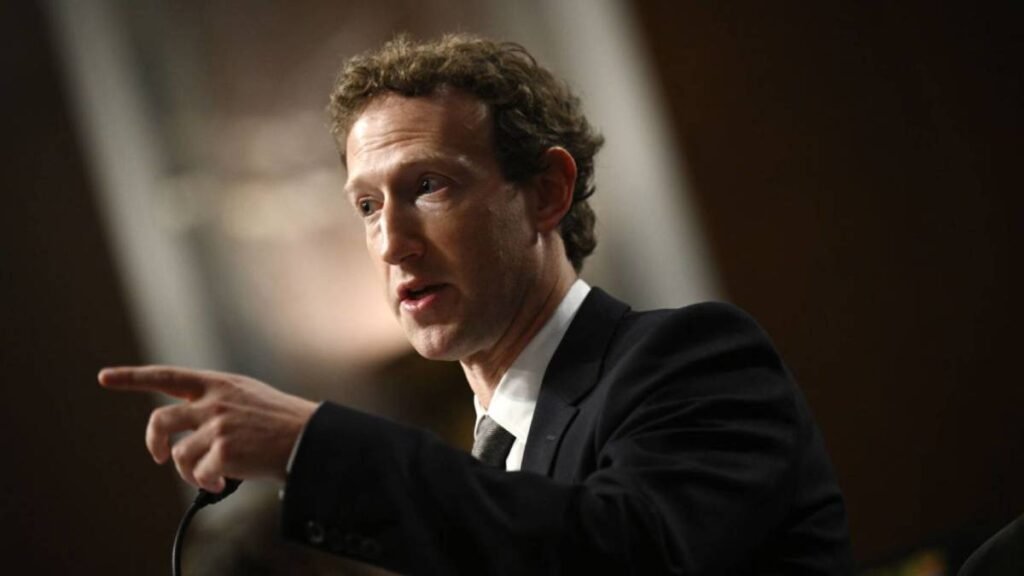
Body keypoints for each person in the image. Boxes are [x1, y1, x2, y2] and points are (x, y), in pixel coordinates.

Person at [100, 34, 853, 574]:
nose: (391, 244)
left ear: (546, 192)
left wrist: (312, 445)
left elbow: (622, 553)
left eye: (428, 186)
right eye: (367, 205)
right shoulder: (483, 470)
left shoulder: (691, 361)